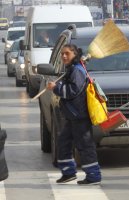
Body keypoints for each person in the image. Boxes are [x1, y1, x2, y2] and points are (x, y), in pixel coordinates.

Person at [46, 44, 101, 185]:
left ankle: (93, 176)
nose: (64, 56)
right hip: (72, 117)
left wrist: (55, 88)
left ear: (74, 54)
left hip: (79, 116)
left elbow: (72, 91)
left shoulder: (77, 70)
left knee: (85, 145)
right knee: (63, 142)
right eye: (62, 53)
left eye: (67, 53)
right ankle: (68, 173)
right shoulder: (71, 69)